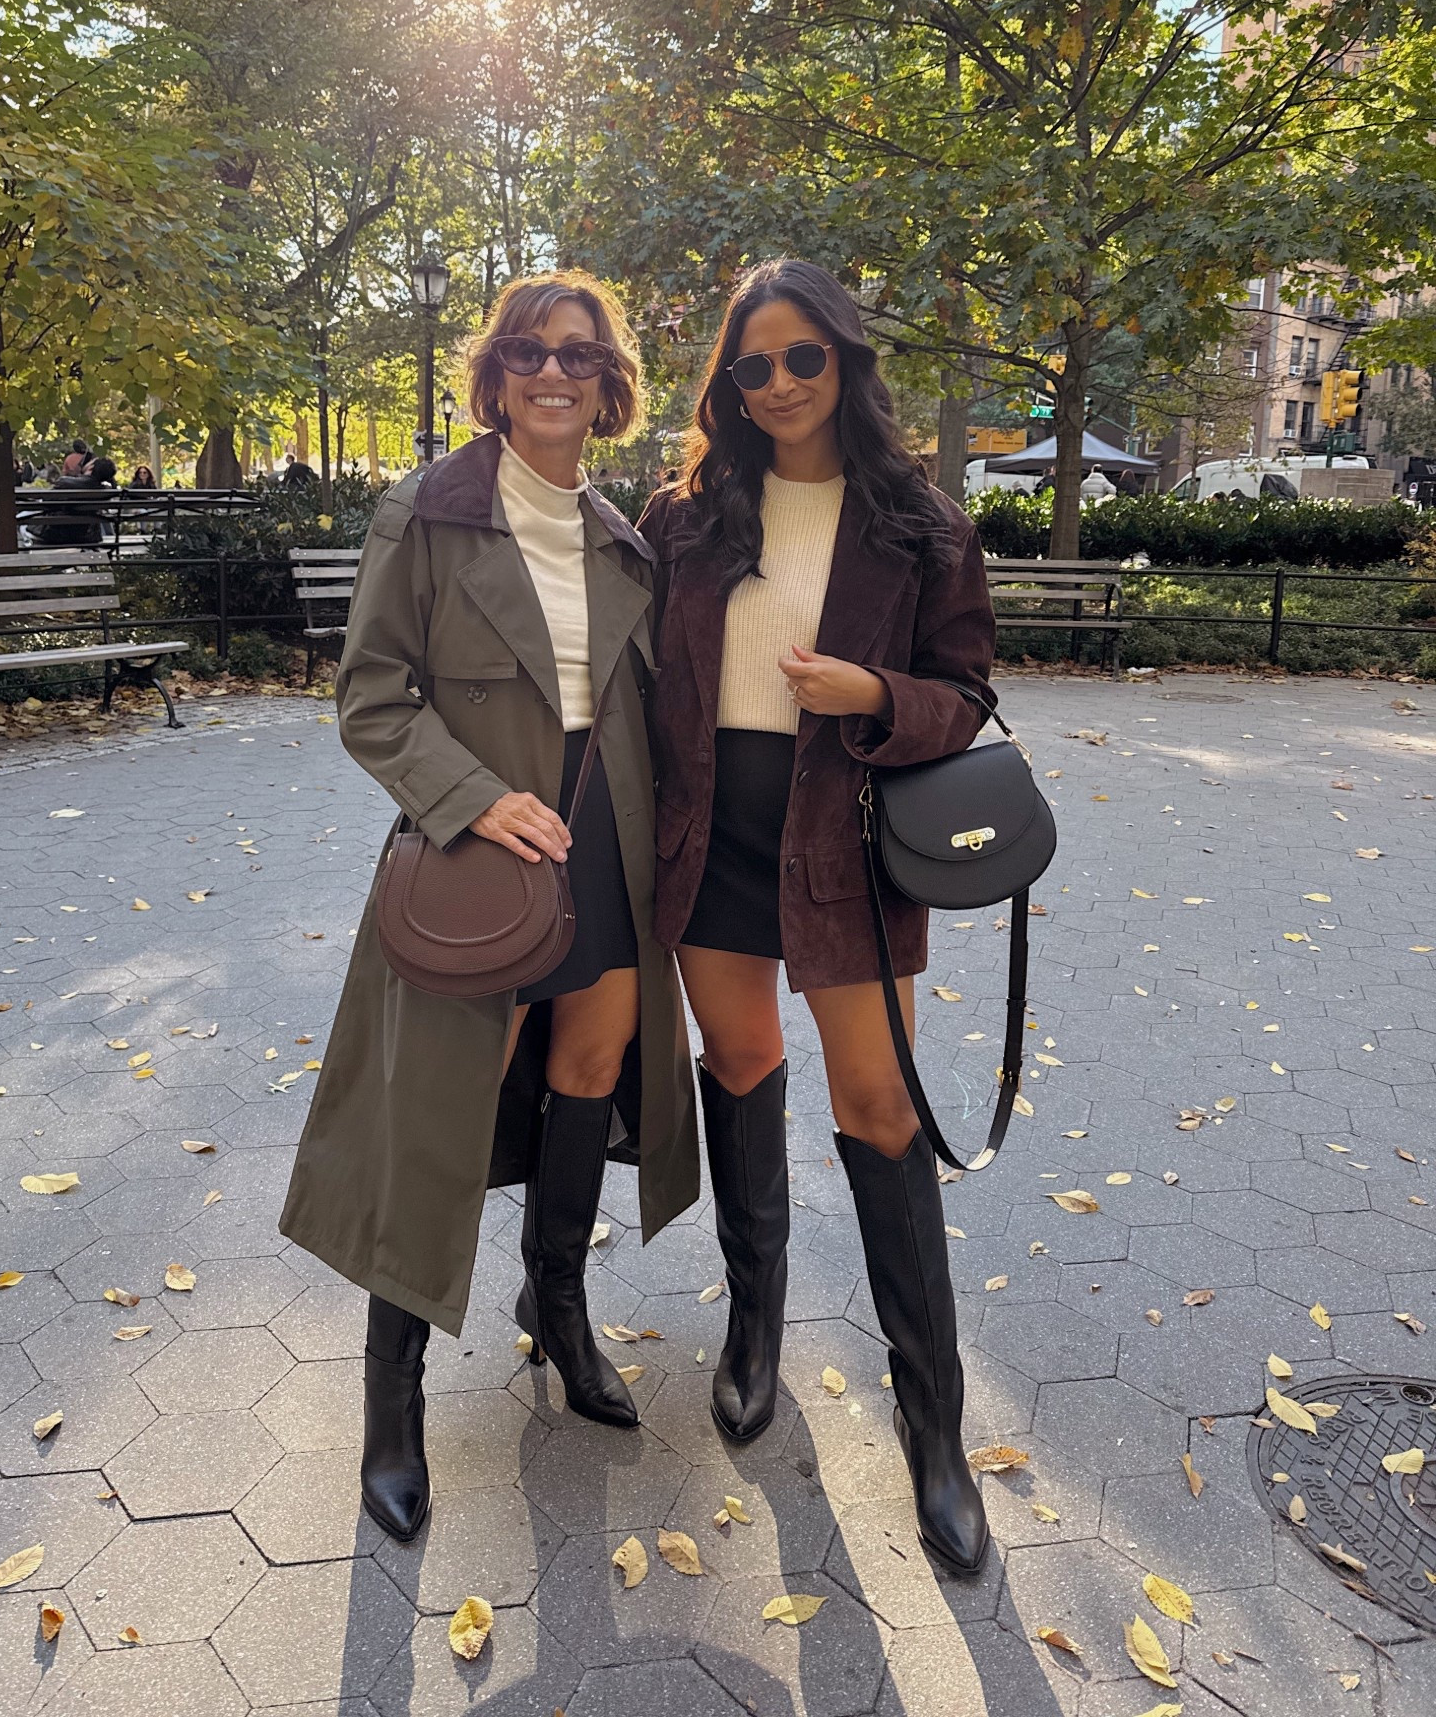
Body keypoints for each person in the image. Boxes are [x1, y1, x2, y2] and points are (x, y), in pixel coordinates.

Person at [279, 269, 698, 1544]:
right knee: (438, 1107)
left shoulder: (622, 534)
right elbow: (373, 695)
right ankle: (391, 1399)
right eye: (528, 351)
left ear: (610, 382)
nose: (553, 370)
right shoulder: (433, 509)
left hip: (606, 842)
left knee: (591, 1061)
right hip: (478, 853)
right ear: (497, 373)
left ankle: (558, 1308)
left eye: (578, 354)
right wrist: (471, 797)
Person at [639, 258, 997, 1578]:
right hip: (711, 844)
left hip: (848, 844)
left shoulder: (921, 524)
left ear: (846, 358)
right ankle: (754, 1334)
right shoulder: (686, 519)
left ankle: (935, 1427)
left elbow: (964, 695)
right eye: (754, 364)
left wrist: (873, 692)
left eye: (804, 356)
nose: (781, 382)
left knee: (880, 1111)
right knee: (740, 1067)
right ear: (728, 385)